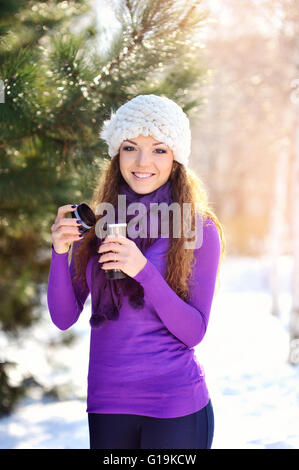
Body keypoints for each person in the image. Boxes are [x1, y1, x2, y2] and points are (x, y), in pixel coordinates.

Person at [47, 94, 225, 449]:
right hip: (107, 405)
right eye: (130, 147)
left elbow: (194, 332)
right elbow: (64, 317)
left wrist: (143, 271)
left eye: (159, 149)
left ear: (176, 159)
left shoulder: (198, 229)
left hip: (176, 407)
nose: (143, 162)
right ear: (117, 155)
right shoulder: (97, 226)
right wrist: (59, 252)